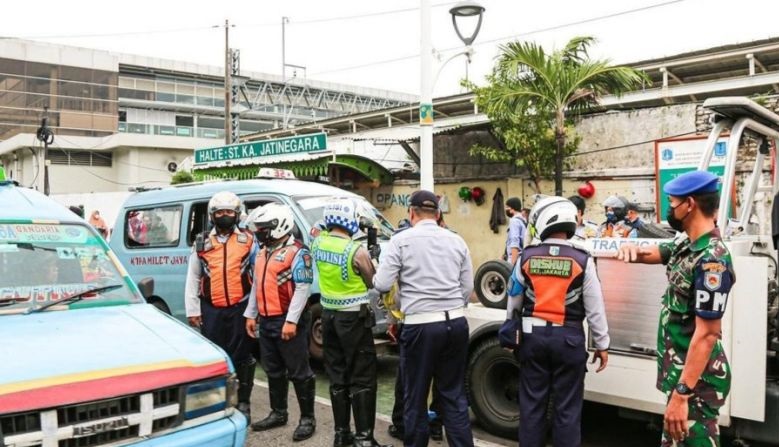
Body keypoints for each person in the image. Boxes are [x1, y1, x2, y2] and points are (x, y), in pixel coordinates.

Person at [616, 171, 734, 447]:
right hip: (680, 377)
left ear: (690, 204)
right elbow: (658, 252)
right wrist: (629, 250)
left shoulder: (711, 261)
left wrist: (682, 394)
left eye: (672, 202)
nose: (670, 209)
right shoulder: (686, 243)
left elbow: (707, 334)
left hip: (696, 384)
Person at [374, 190, 474, 447]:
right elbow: (467, 287)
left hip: (420, 327)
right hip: (456, 323)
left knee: (415, 397)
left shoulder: (401, 240)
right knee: (453, 396)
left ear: (411, 212)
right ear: (438, 214)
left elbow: (383, 284)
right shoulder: (457, 241)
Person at [507, 196, 610, 447]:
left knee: (532, 408)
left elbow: (514, 302)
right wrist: (602, 343)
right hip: (570, 342)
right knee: (567, 411)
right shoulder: (583, 259)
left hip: (532, 341)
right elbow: (595, 307)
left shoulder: (526, 257)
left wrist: (511, 333)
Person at [311, 199, 389, 447]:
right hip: (353, 318)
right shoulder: (356, 251)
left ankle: (341, 435)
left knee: (337, 375)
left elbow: (317, 228)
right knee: (362, 377)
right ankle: (364, 438)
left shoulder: (318, 243)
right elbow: (372, 282)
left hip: (328, 317)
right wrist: (374, 256)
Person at [244, 203, 317, 442]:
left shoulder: (298, 252)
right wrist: (250, 315)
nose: (259, 232)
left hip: (289, 322)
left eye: (264, 228)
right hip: (266, 320)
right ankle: (278, 413)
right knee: (273, 369)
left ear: (279, 227)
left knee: (299, 372)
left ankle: (308, 419)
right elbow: (256, 285)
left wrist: (291, 321)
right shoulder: (263, 251)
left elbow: (302, 289)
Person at [184, 191, 258, 419]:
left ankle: (243, 402)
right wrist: (193, 309)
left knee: (242, 357)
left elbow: (257, 278)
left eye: (229, 212)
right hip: (211, 309)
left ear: (237, 214)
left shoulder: (249, 241)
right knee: (215, 356)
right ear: (212, 215)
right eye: (220, 212)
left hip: (240, 308)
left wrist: (252, 312)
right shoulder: (202, 242)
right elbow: (193, 276)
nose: (224, 216)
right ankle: (217, 401)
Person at [505, 197, 527, 264]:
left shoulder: (514, 221)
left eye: (507, 207)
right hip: (522, 258)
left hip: (515, 259)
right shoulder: (523, 221)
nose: (505, 209)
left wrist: (512, 264)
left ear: (512, 208)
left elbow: (515, 243)